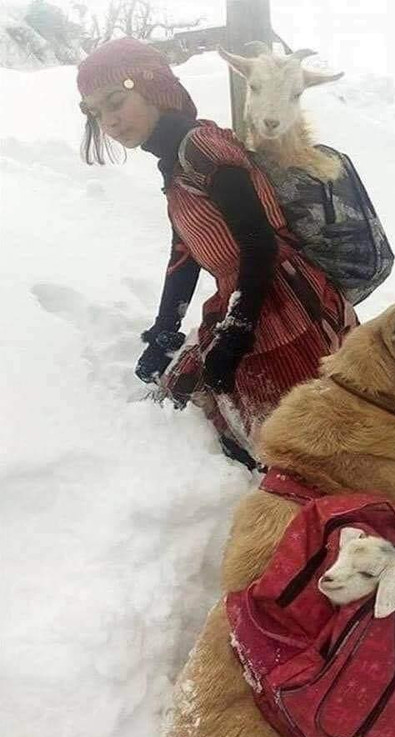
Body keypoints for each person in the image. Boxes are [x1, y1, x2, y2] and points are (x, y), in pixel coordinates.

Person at [77, 37, 357, 469]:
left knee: (300, 446)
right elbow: (184, 253)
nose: (109, 121)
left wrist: (238, 331)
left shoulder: (202, 148)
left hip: (280, 302)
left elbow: (259, 244)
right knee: (194, 409)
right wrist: (164, 330)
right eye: (96, 112)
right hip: (246, 298)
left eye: (116, 101)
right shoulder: (175, 160)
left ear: (152, 88)